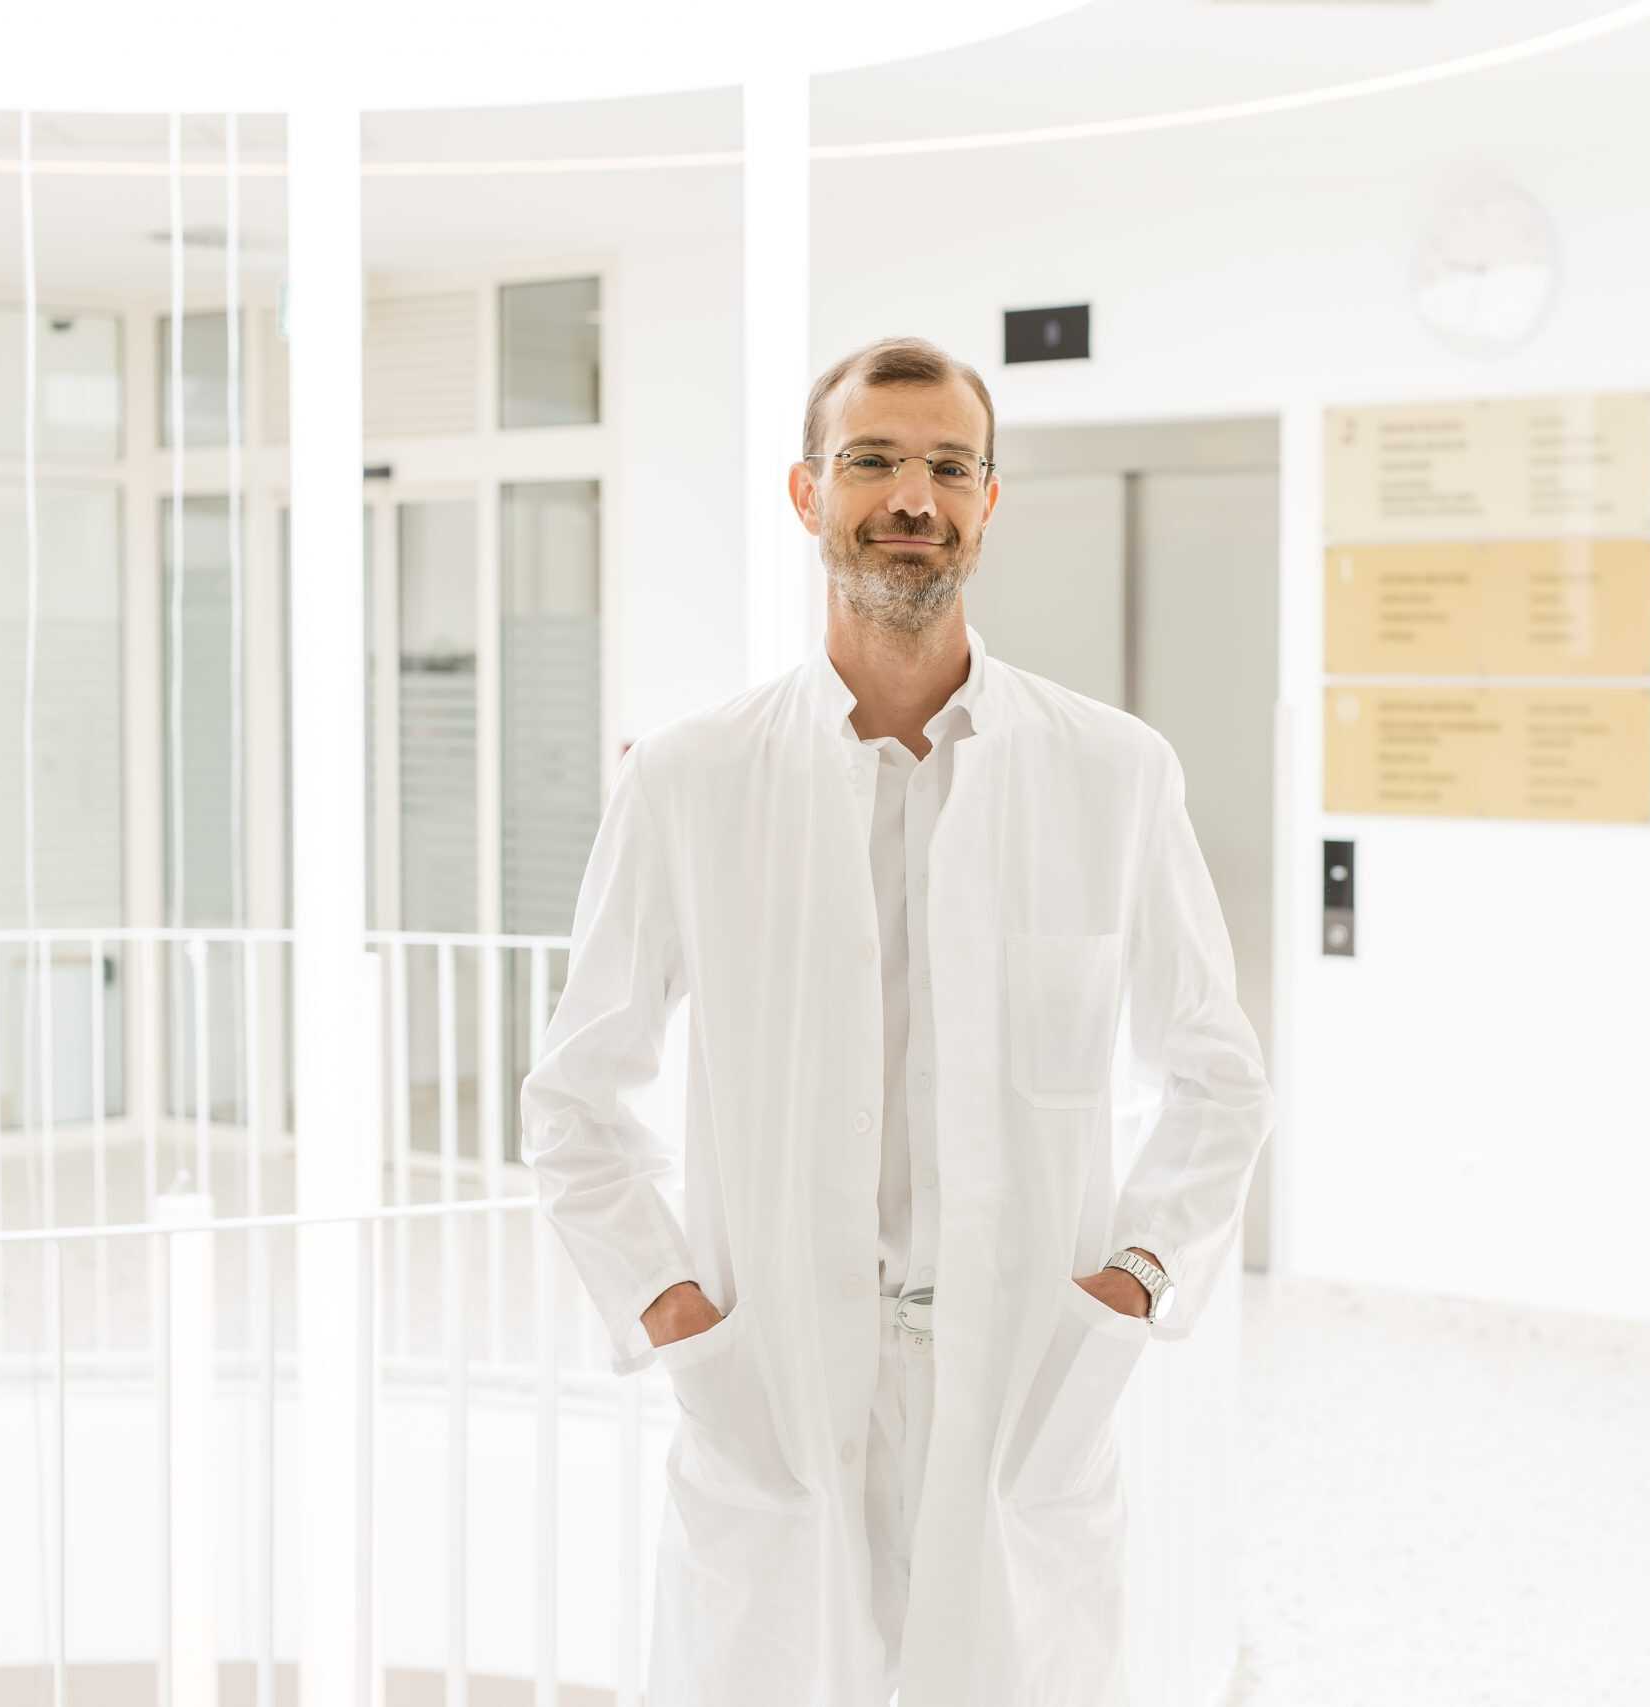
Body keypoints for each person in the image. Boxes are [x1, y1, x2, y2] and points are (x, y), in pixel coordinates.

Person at [520, 335, 1273, 1707]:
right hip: (778, 1396)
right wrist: (682, 1318)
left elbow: (1217, 1079)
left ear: (991, 504)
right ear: (807, 495)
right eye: (872, 460)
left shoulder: (1111, 775)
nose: (910, 496)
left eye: (947, 466)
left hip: (1023, 1402)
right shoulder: (695, 784)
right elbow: (574, 1100)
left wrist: (1132, 1289)